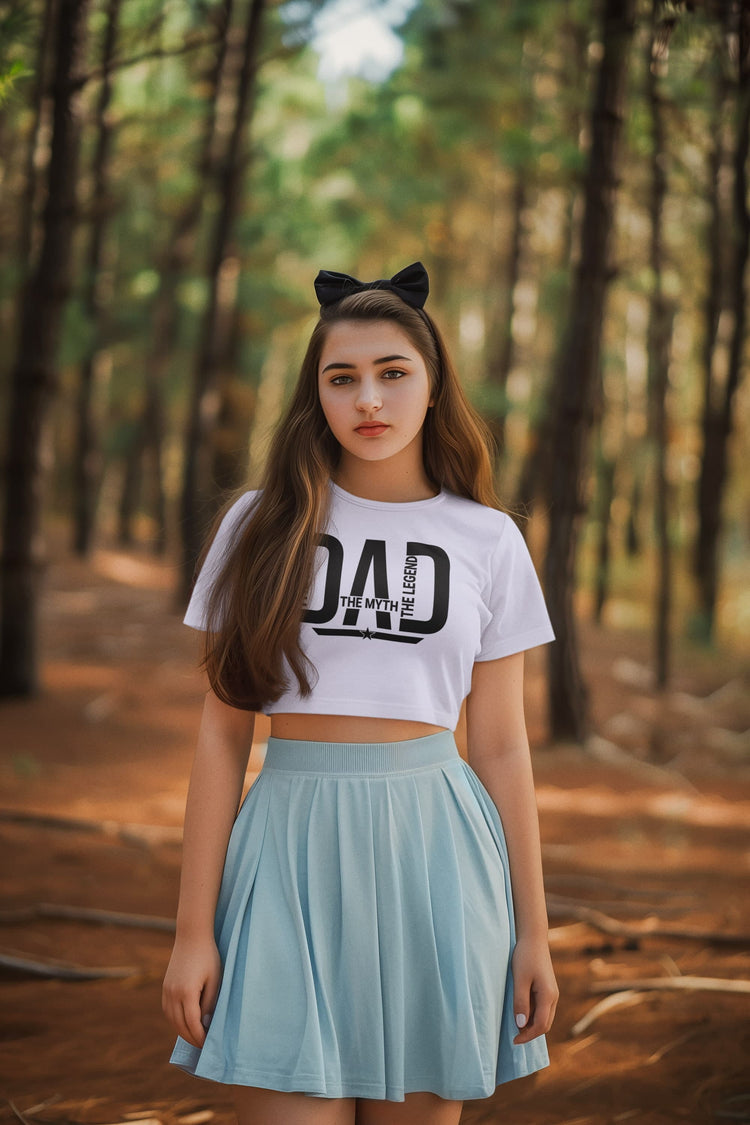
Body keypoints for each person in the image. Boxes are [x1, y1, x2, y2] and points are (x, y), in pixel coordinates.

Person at [162, 262, 559, 1125]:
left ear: (432, 384)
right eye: (342, 378)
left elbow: (499, 745)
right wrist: (194, 929)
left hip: (439, 857)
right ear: (317, 394)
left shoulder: (488, 539)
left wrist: (535, 928)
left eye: (392, 373)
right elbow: (223, 737)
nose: (368, 399)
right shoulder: (261, 524)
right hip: (287, 851)